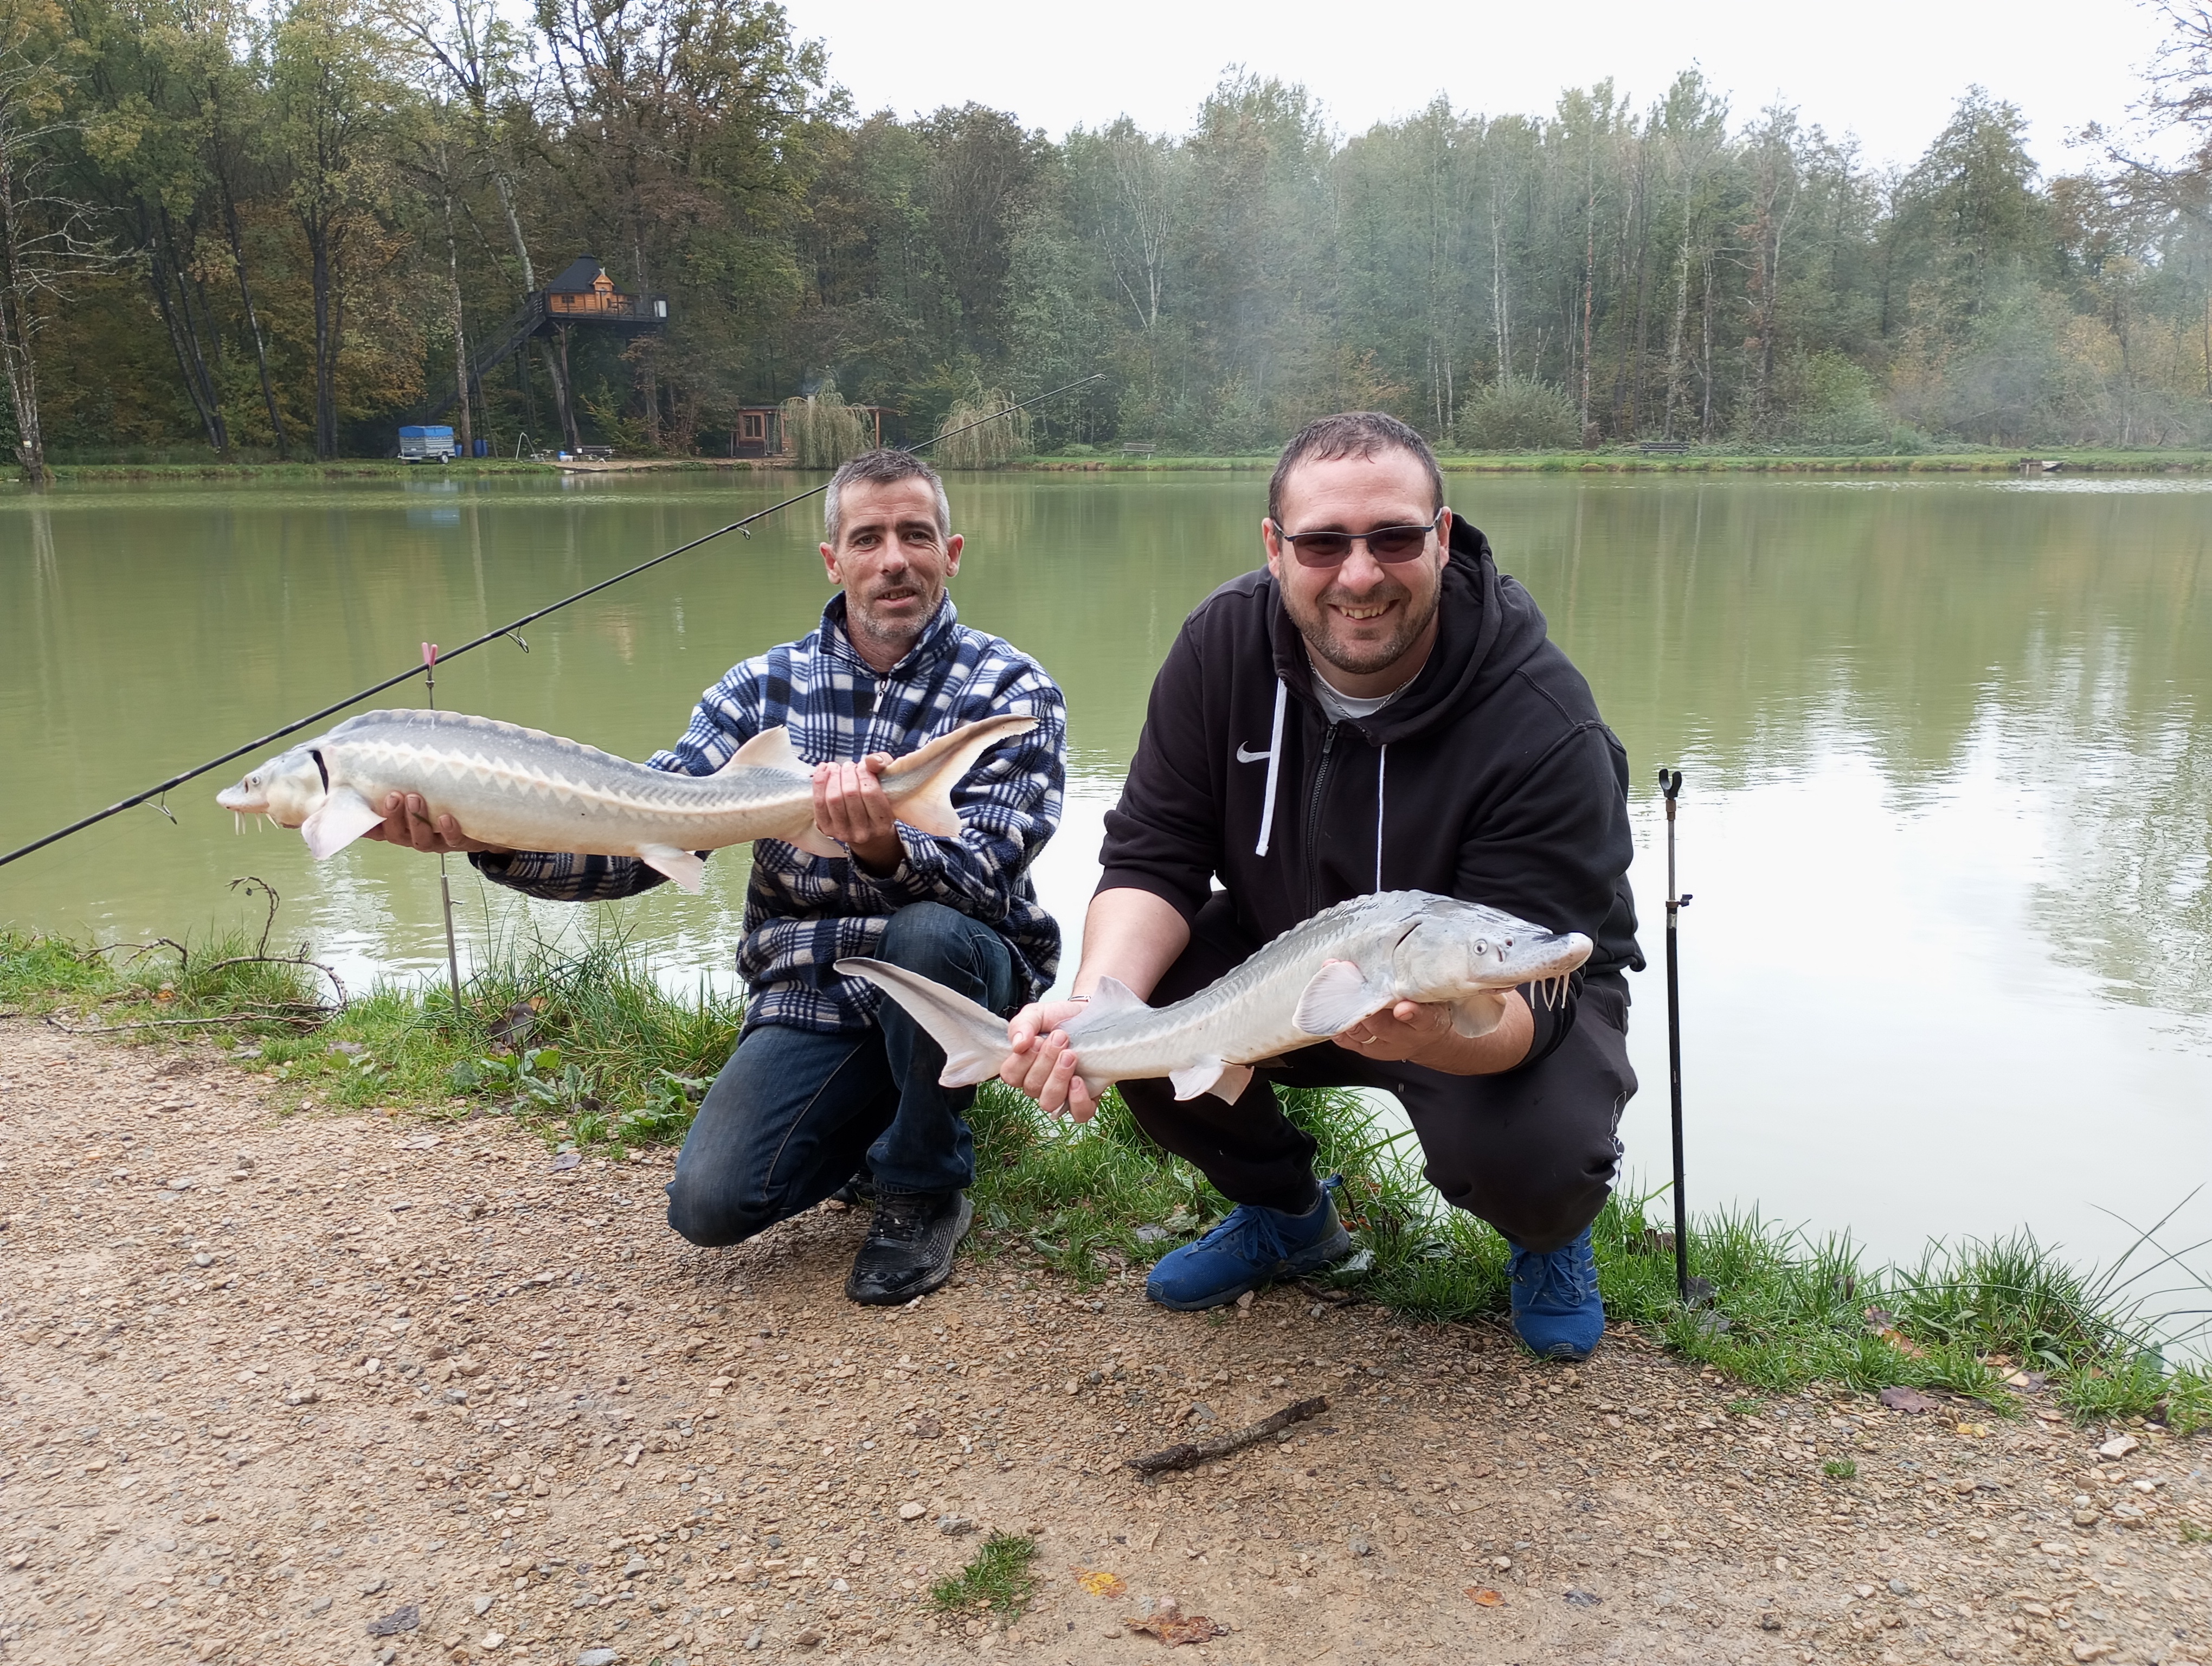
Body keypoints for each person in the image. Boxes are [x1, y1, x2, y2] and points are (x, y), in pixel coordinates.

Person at [999, 412, 1639, 1360]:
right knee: (1146, 1020)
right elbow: (1155, 853)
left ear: (1443, 536)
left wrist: (1436, 1034)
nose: (1361, 575)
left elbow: (1540, 983)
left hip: (1501, 992)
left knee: (1541, 1148)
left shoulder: (1541, 719)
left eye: (1395, 538)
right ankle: (1289, 1217)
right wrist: (1094, 1006)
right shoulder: (1221, 646)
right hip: (1287, 954)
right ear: (1275, 548)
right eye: (1323, 543)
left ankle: (1547, 1238)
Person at [369, 449, 1067, 1305]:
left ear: (951, 554)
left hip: (958, 975)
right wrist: (490, 838)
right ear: (833, 559)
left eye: (916, 536)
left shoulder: (1011, 689)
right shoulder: (757, 691)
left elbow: (991, 878)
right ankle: (877, 1117)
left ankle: (925, 1184)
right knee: (710, 1205)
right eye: (868, 538)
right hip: (812, 985)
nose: (894, 560)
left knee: (927, 933)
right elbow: (640, 839)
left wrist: (887, 848)